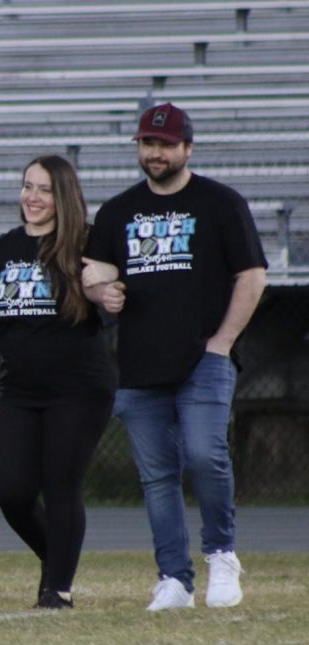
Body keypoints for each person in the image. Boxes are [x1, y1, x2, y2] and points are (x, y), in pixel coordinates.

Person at [82, 103, 266, 611]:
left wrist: (223, 342)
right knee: (157, 475)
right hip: (140, 364)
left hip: (203, 358)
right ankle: (174, 579)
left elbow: (252, 276)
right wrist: (102, 293)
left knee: (206, 455)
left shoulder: (221, 203)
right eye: (147, 144)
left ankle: (221, 554)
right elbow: (93, 272)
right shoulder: (119, 210)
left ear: (187, 147)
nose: (155, 153)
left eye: (164, 144)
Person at [0, 155, 115, 609]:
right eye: (27, 186)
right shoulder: (1, 250)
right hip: (20, 389)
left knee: (60, 483)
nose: (32, 197)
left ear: (63, 196)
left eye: (44, 189)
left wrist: (108, 285)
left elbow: (110, 289)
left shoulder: (86, 245)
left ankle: (58, 590)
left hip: (79, 388)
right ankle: (58, 562)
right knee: (11, 491)